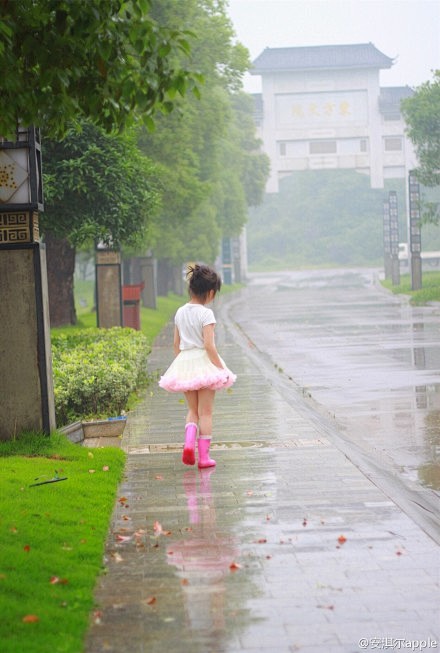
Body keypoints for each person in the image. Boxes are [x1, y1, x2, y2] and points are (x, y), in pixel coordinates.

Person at [159, 264, 236, 468]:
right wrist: (222, 369)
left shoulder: (180, 312)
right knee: (206, 412)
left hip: (185, 362)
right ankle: (203, 458)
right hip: (204, 362)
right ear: (210, 292)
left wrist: (182, 367)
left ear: (191, 289)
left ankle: (187, 444)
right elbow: (209, 346)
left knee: (192, 410)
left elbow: (176, 345)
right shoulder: (206, 314)